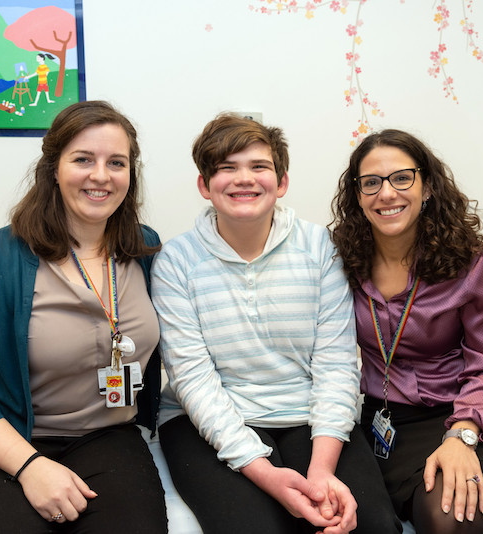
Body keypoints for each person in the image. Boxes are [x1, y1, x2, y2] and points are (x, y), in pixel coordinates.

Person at [0, 101, 167, 533]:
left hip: (108, 437)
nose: (101, 175)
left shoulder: (143, 249)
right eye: (83, 160)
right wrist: (30, 466)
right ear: (53, 168)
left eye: (117, 162)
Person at [151, 113, 401, 534]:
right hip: (205, 422)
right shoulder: (176, 262)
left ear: (281, 182)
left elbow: (336, 364)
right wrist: (265, 473)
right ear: (204, 185)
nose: (242, 179)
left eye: (258, 167)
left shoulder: (320, 248)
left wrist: (321, 471)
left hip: (306, 414)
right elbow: (194, 379)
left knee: (369, 524)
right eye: (226, 168)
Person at [329, 129, 483, 534]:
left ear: (427, 187)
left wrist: (463, 434)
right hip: (385, 422)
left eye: (402, 178)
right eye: (371, 183)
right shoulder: (341, 259)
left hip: (468, 412)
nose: (387, 193)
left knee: (450, 517)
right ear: (357, 196)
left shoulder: (470, 260)